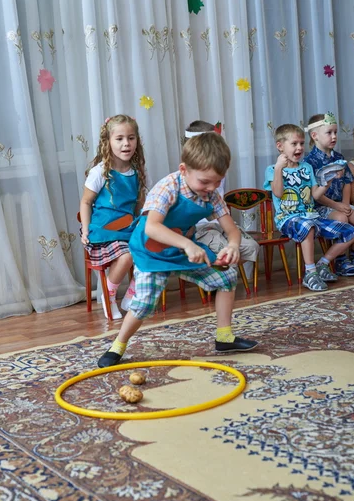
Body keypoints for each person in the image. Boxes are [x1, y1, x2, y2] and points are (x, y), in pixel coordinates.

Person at [98, 132, 258, 367]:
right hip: (151, 251)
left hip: (182, 248)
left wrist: (233, 245)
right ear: (184, 170)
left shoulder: (211, 195)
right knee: (143, 304)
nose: (212, 187)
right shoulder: (168, 187)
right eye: (205, 181)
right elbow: (152, 227)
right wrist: (188, 244)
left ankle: (224, 337)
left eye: (218, 181)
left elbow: (231, 230)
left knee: (227, 276)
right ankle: (118, 346)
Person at [264, 124, 354, 292]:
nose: (300, 147)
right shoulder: (272, 169)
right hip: (288, 220)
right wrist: (279, 168)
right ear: (280, 146)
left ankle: (322, 264)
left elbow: (315, 195)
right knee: (308, 226)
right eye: (294, 144)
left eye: (301, 143)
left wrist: (328, 180)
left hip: (311, 216)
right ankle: (310, 273)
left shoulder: (306, 168)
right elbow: (278, 193)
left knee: (350, 232)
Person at [80, 114, 147, 320]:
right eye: (119, 139)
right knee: (128, 254)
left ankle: (130, 294)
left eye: (131, 138)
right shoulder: (101, 171)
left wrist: (145, 226)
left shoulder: (137, 172)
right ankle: (108, 295)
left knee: (152, 247)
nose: (126, 143)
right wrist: (85, 228)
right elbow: (85, 202)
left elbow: (140, 205)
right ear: (108, 142)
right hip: (103, 229)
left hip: (126, 227)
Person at [184, 120, 260, 274]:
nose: (212, 186)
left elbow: (226, 220)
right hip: (200, 229)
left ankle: (218, 271)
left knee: (251, 247)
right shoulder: (182, 183)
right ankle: (218, 276)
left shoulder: (214, 186)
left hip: (219, 224)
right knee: (223, 253)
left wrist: (233, 245)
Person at [304, 112, 354, 275]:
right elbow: (314, 194)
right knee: (341, 218)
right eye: (329, 132)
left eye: (335, 132)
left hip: (341, 204)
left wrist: (345, 204)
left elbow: (347, 182)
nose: (334, 136)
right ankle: (340, 260)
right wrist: (337, 206)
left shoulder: (338, 158)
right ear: (314, 136)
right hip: (322, 207)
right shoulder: (309, 162)